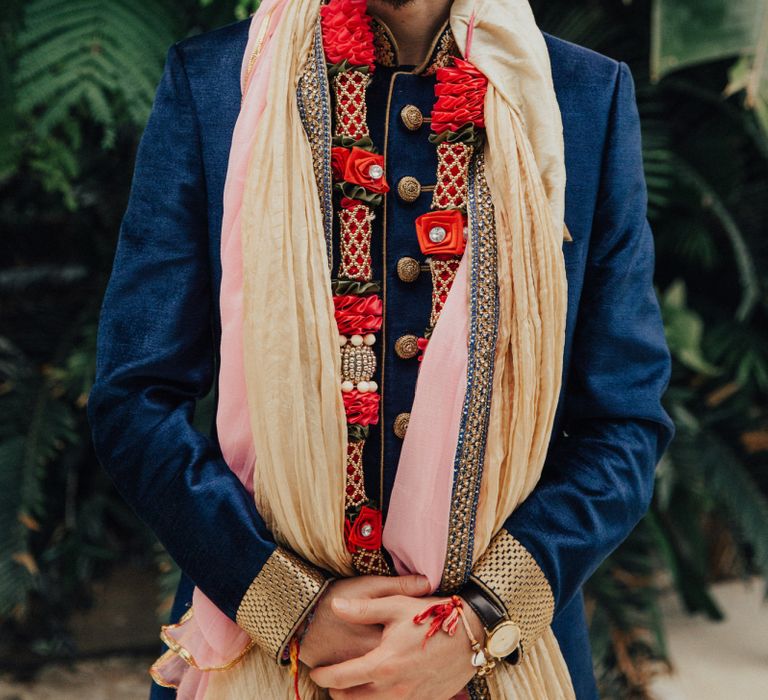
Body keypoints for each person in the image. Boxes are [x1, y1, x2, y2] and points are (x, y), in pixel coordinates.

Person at [87, 0, 674, 698]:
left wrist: (481, 622)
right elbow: (133, 399)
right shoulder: (216, 86)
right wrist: (290, 604)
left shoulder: (579, 99)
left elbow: (624, 422)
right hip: (265, 654)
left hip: (499, 663)